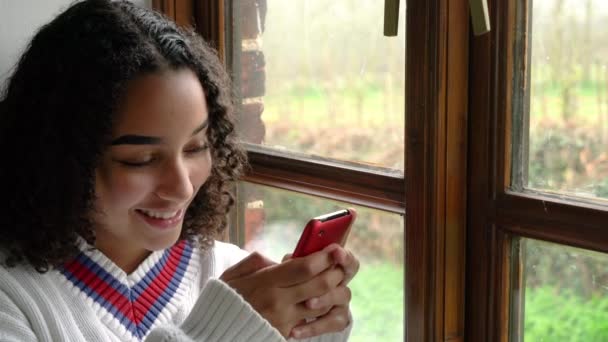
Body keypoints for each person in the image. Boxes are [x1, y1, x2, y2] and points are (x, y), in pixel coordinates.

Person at [0, 1, 359, 341]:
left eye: (195, 147)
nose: (183, 187)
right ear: (58, 156)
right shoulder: (12, 300)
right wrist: (224, 331)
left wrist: (310, 328)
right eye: (140, 159)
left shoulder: (234, 273)